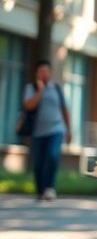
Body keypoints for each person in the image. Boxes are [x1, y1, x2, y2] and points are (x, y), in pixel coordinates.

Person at [21, 60, 71, 201]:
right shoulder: (31, 88)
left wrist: (69, 129)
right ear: (37, 73)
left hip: (56, 129)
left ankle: (50, 188)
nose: (44, 74)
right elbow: (29, 106)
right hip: (37, 131)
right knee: (38, 162)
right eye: (41, 71)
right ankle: (40, 190)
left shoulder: (57, 89)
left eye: (46, 71)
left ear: (50, 72)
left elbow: (64, 110)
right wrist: (40, 91)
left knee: (52, 156)